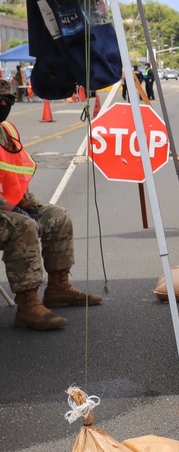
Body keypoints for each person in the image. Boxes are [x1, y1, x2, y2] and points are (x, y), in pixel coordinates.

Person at [0, 78, 102, 331]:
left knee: (57, 216)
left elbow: (13, 176)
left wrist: (29, 205)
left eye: (9, 99)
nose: (4, 104)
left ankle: (58, 288)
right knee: (23, 226)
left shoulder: (7, 131)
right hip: (5, 211)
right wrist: (16, 210)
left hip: (9, 207)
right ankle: (27, 304)